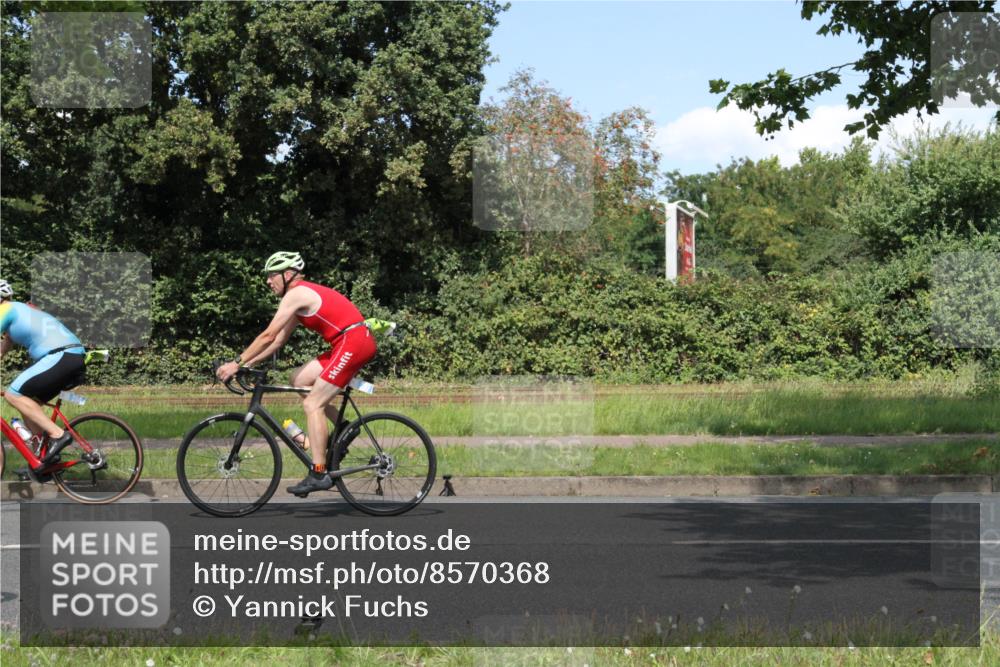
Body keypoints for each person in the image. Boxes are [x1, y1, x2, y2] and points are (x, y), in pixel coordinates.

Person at [216, 252, 377, 496]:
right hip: (346, 342)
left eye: (272, 275)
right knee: (298, 379)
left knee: (313, 404)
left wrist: (236, 363)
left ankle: (319, 473)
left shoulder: (297, 294)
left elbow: (267, 335)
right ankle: (344, 427)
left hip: (353, 342)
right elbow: (277, 341)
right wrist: (247, 363)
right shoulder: (296, 300)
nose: (268, 281)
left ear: (288, 274)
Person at [0, 279, 86, 470]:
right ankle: (42, 461)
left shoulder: (5, 310)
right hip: (71, 356)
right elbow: (4, 346)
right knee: (28, 406)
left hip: (60, 355)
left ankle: (58, 435)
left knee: (13, 395)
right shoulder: (19, 310)